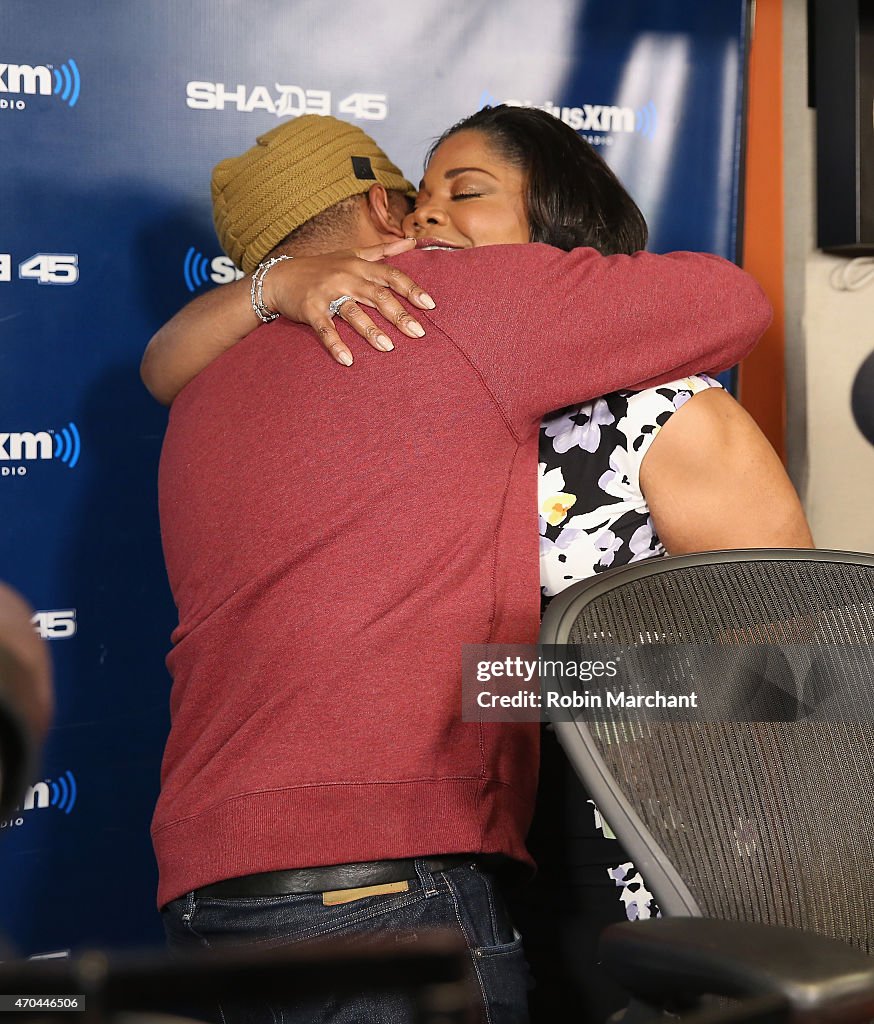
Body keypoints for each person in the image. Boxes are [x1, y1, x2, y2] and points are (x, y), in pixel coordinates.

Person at [147, 112, 771, 1024]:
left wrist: (511, 683)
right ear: (377, 209)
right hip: (450, 861)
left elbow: (786, 682)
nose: (429, 222)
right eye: (418, 199)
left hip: (634, 867)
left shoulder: (667, 414)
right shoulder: (427, 339)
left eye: (462, 194)